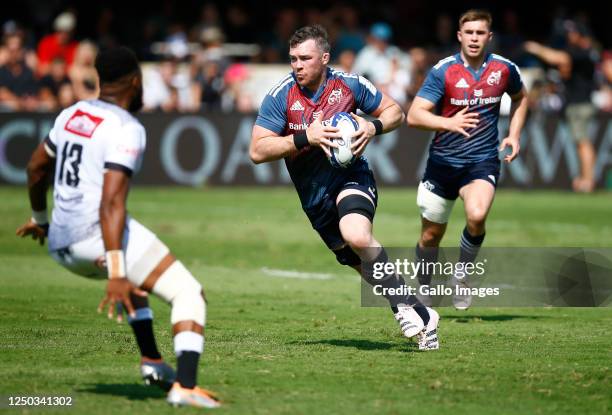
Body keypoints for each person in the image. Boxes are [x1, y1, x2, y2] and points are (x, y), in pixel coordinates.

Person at [15, 47, 220, 408]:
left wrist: (39, 219)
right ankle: (185, 387)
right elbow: (111, 203)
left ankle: (153, 361)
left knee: (139, 278)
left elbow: (34, 168)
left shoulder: (71, 114)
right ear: (136, 81)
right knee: (189, 293)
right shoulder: (127, 128)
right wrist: (115, 270)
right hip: (94, 238)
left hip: (60, 244)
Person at [250, 25, 440, 351]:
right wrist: (303, 138)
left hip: (351, 177)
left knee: (357, 235)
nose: (297, 65)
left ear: (324, 58)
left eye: (305, 58)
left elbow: (396, 112)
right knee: (359, 262)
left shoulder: (349, 84)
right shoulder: (280, 95)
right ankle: (419, 311)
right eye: (293, 58)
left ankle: (405, 310)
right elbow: (257, 151)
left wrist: (372, 125)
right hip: (313, 198)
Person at [407, 10, 528, 309]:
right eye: (469, 33)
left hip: (482, 160)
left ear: (489, 36)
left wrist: (514, 134)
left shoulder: (504, 69)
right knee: (430, 236)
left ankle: (461, 276)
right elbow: (414, 115)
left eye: (480, 33)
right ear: (460, 36)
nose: (474, 38)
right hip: (443, 163)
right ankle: (423, 288)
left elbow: (522, 97)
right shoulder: (443, 71)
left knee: (476, 215)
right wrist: (448, 123)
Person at [524, 20, 599, 192]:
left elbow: (559, 58)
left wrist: (536, 48)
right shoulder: (584, 52)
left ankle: (588, 180)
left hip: (580, 104)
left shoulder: (584, 51)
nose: (570, 36)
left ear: (581, 35)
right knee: (581, 142)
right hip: (580, 103)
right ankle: (584, 178)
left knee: (583, 142)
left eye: (573, 33)